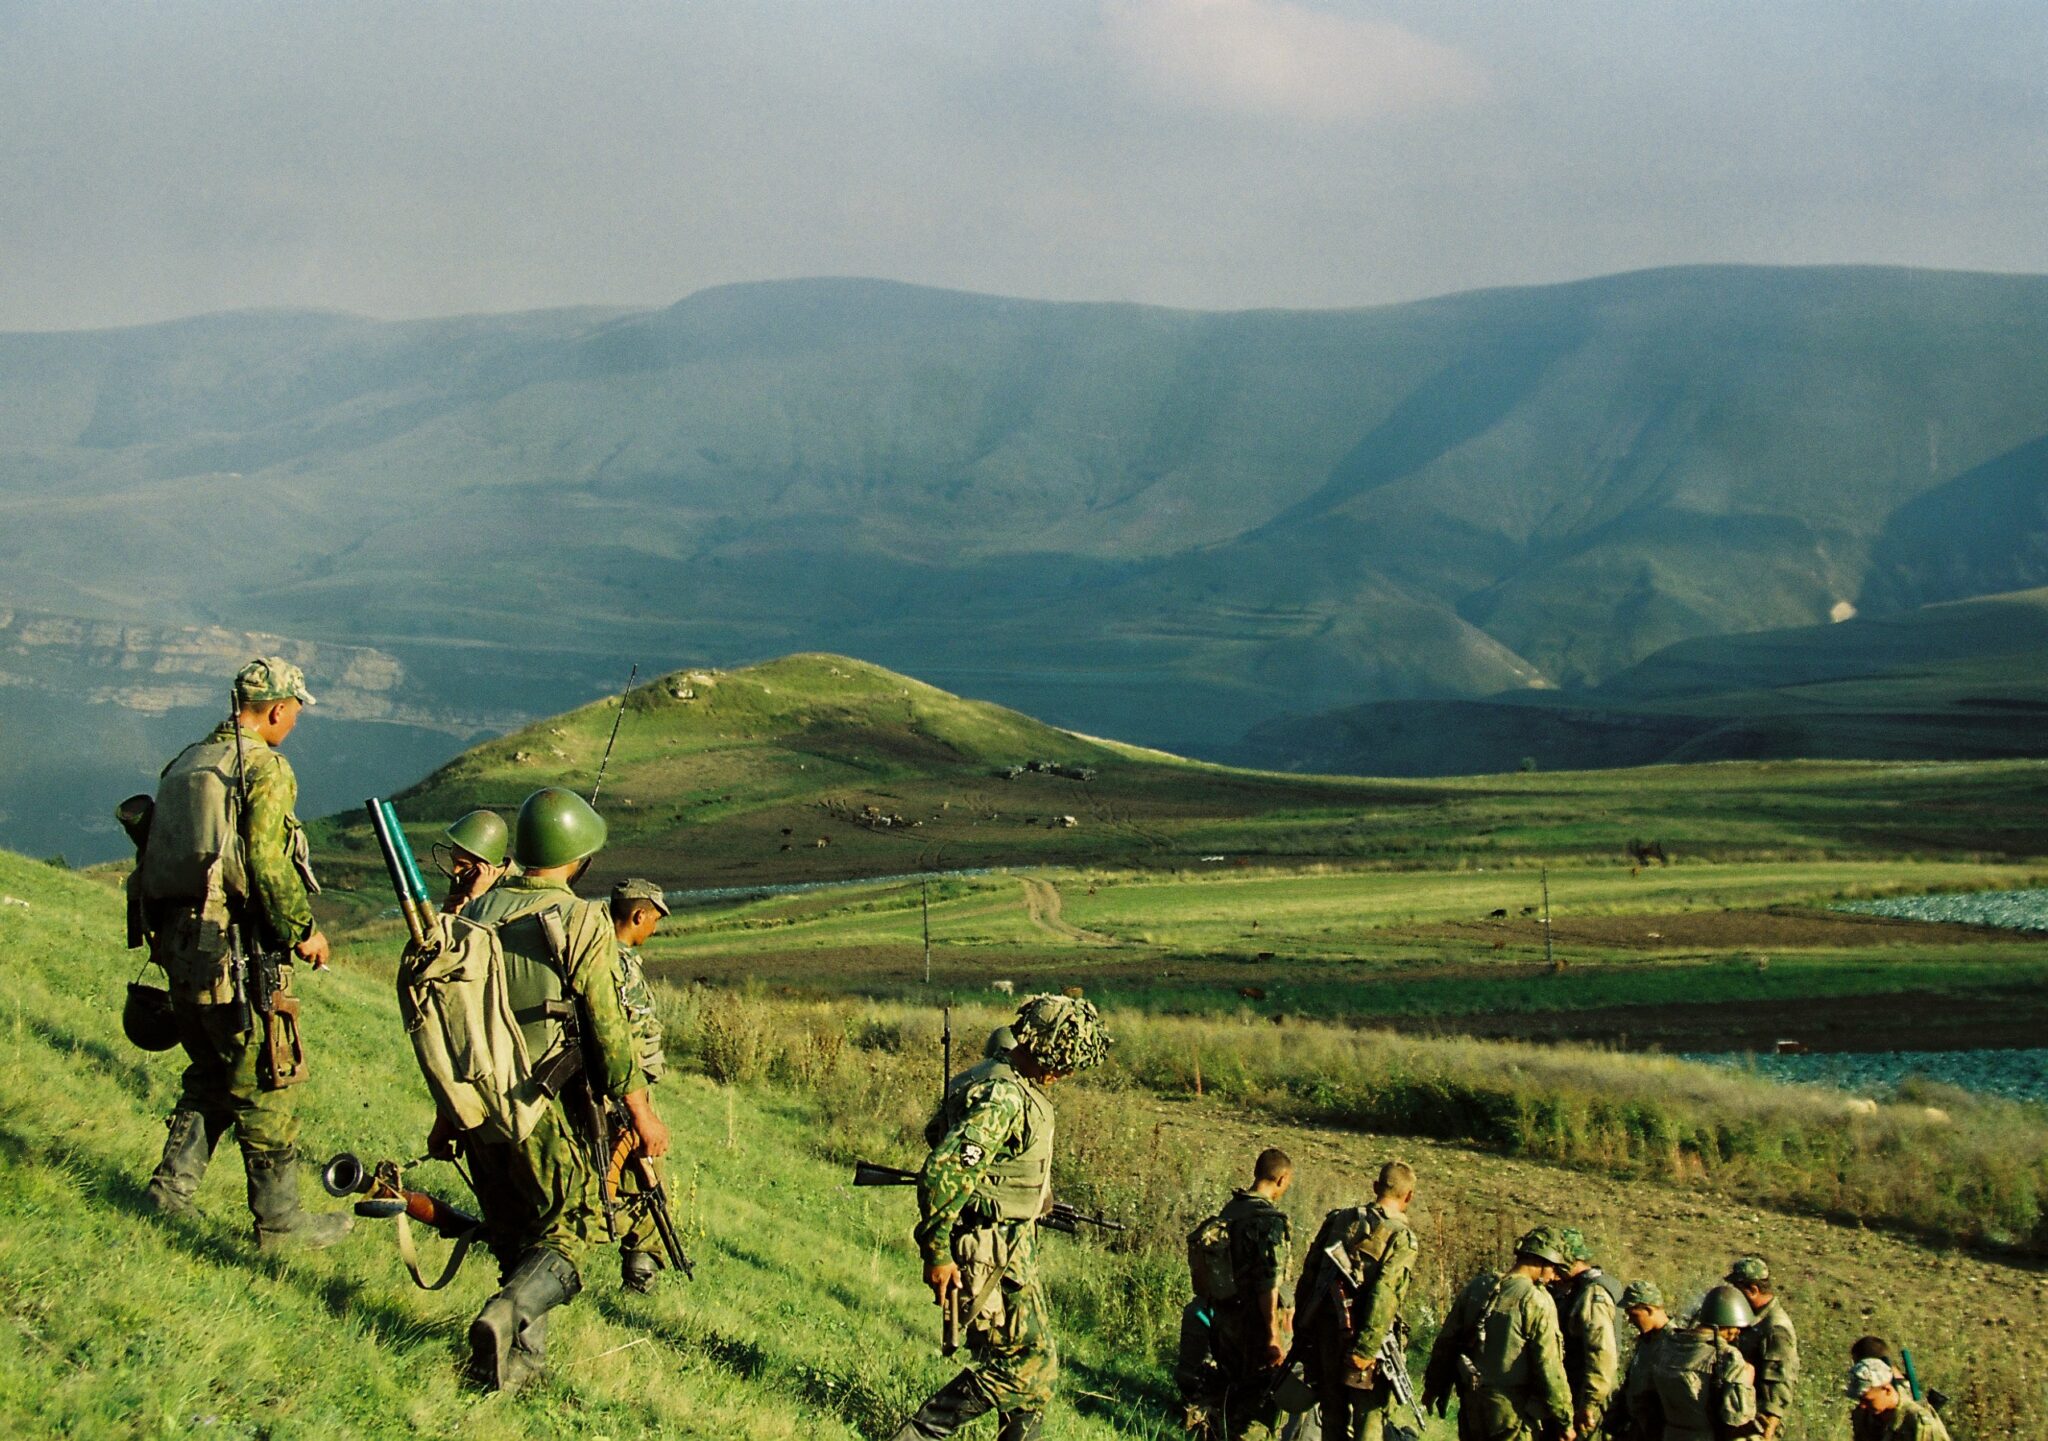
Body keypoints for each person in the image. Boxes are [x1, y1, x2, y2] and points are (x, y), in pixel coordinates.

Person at [435, 786, 670, 1391]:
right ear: (579, 856)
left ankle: (515, 1364)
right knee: (573, 1233)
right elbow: (608, 1028)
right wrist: (640, 1109)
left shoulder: (472, 913)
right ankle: (506, 1315)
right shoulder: (581, 919)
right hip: (544, 1106)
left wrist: (446, 1113)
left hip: (473, 1104)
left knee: (516, 1235)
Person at [136, 658, 352, 1251]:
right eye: (296, 711)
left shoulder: (186, 762)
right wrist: (303, 930)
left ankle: (168, 1193)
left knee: (210, 1072)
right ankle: (281, 1225)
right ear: (279, 709)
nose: (296, 722)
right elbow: (266, 862)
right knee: (266, 1080)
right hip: (233, 954)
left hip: (179, 951)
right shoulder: (264, 767)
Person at [889, 994, 1113, 1441]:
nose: (1067, 1074)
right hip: (988, 1251)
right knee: (1021, 1368)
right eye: (1067, 1063)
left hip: (1009, 1248)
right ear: (1051, 1050)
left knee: (1039, 1370)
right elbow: (943, 1173)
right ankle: (918, 1434)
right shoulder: (1004, 1096)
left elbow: (951, 1143)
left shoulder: (1004, 1081)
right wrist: (936, 1255)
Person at [1175, 1148, 1295, 1439]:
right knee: (1261, 1402)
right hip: (1253, 1326)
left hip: (1224, 1319)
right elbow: (1269, 1282)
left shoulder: (1233, 1210)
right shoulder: (1268, 1221)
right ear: (1280, 1179)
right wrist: (1273, 1335)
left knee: (1227, 1392)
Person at [1296, 1160, 1420, 1441]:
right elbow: (1385, 1294)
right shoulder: (1402, 1236)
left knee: (1332, 1416)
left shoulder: (1339, 1219)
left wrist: (1303, 1327)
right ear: (1409, 1196)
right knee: (1369, 1420)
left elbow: (1310, 1274)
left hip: (1326, 1335)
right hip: (1367, 1341)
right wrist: (1365, 1349)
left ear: (1375, 1187)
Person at [1420, 1225, 1573, 1441]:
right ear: (1542, 1261)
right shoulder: (1536, 1299)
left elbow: (1446, 1342)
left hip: (1472, 1402)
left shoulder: (1478, 1286)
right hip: (1511, 1410)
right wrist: (1564, 1419)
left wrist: (1434, 1386)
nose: (1555, 1276)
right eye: (1555, 1269)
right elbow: (1549, 1366)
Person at [609, 877, 674, 1292]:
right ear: (637, 915)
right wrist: (638, 1104)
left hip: (617, 1083)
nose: (654, 928)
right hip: (623, 1087)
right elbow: (625, 1034)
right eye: (653, 919)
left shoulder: (592, 954)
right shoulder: (620, 965)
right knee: (644, 1167)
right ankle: (642, 1268)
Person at [1650, 1285, 1755, 1441]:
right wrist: (1746, 1380)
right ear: (1730, 1323)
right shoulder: (1727, 1356)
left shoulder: (1667, 1348)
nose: (1739, 1332)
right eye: (1738, 1327)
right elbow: (1737, 1418)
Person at [1552, 1230, 1621, 1438]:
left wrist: (1589, 1404)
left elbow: (1601, 1354)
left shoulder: (1592, 1293)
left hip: (1590, 1400)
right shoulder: (1580, 1289)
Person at [1726, 1257, 1797, 1440]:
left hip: (1758, 1423)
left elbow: (1779, 1380)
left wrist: (1767, 1426)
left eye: (1737, 1290)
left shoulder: (1775, 1328)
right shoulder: (1753, 1319)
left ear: (1753, 1290)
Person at [1607, 1281, 1668, 1441]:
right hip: (1636, 1426)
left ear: (1649, 1309)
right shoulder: (1646, 1340)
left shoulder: (1674, 1343)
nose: (1630, 1321)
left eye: (1634, 1315)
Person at [1844, 1358, 1950, 1440]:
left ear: (1887, 1390)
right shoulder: (1867, 1416)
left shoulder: (1919, 1424)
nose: (1862, 1405)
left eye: (1868, 1400)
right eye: (1859, 1399)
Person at [438, 809, 510, 912]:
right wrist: (447, 913)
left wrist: (476, 899)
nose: (455, 871)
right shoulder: (464, 879)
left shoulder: (510, 891)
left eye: (463, 864)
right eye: (453, 860)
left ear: (486, 865)